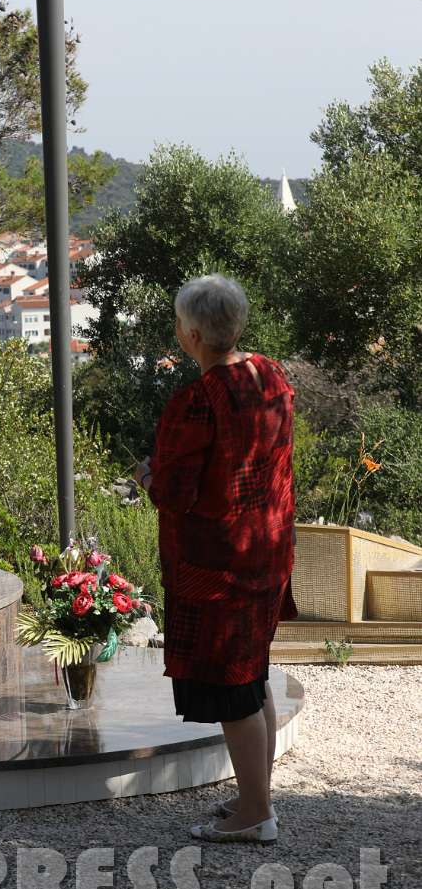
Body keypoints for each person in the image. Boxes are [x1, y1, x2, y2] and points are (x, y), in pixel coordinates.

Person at [134, 274, 297, 844]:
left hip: (218, 567)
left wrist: (149, 476)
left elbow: (174, 492)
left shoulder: (196, 402)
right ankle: (258, 795)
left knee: (234, 690)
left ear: (194, 334)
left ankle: (255, 814)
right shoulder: (271, 375)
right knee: (254, 680)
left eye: (181, 324)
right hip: (268, 551)